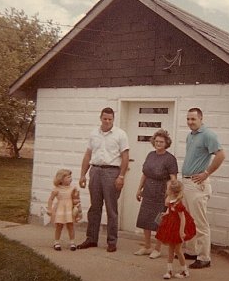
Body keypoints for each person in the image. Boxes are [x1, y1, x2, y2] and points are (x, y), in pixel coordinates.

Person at [77, 107, 129, 252]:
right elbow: (88, 155)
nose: (107, 121)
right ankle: (91, 239)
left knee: (111, 209)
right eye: (105, 118)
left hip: (112, 172)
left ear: (113, 119)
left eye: (110, 119)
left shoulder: (120, 134)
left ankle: (112, 241)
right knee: (94, 208)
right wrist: (82, 174)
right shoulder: (93, 133)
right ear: (100, 118)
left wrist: (121, 176)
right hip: (95, 171)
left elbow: (125, 157)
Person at [181, 107, 225, 269]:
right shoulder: (190, 136)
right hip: (186, 183)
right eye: (188, 119)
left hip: (197, 185)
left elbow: (221, 155)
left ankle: (204, 257)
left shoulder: (208, 135)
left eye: (193, 119)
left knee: (200, 222)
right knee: (189, 220)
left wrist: (206, 173)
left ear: (201, 119)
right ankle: (192, 251)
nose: (190, 122)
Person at [134, 129, 178, 259]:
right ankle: (147, 246)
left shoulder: (170, 159)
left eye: (161, 142)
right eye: (157, 141)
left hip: (161, 193)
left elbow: (173, 179)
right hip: (148, 191)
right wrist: (139, 189)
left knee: (159, 222)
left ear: (166, 143)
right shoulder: (150, 155)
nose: (158, 143)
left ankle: (157, 249)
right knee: (145, 219)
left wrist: (170, 196)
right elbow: (145, 174)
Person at [155, 180, 196, 279]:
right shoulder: (171, 201)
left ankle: (184, 271)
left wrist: (181, 232)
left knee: (178, 250)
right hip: (171, 226)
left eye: (167, 189)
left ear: (171, 191)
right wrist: (167, 213)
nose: (166, 190)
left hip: (177, 229)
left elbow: (183, 219)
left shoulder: (178, 204)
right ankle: (169, 270)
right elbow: (169, 209)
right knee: (170, 249)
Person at [47, 169, 80, 251]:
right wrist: (49, 209)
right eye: (68, 177)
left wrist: (77, 207)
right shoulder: (56, 189)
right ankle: (56, 242)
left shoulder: (72, 188)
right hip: (60, 209)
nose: (70, 179)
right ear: (61, 179)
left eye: (71, 177)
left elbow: (76, 199)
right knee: (59, 226)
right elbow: (51, 199)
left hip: (69, 209)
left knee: (70, 225)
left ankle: (72, 242)